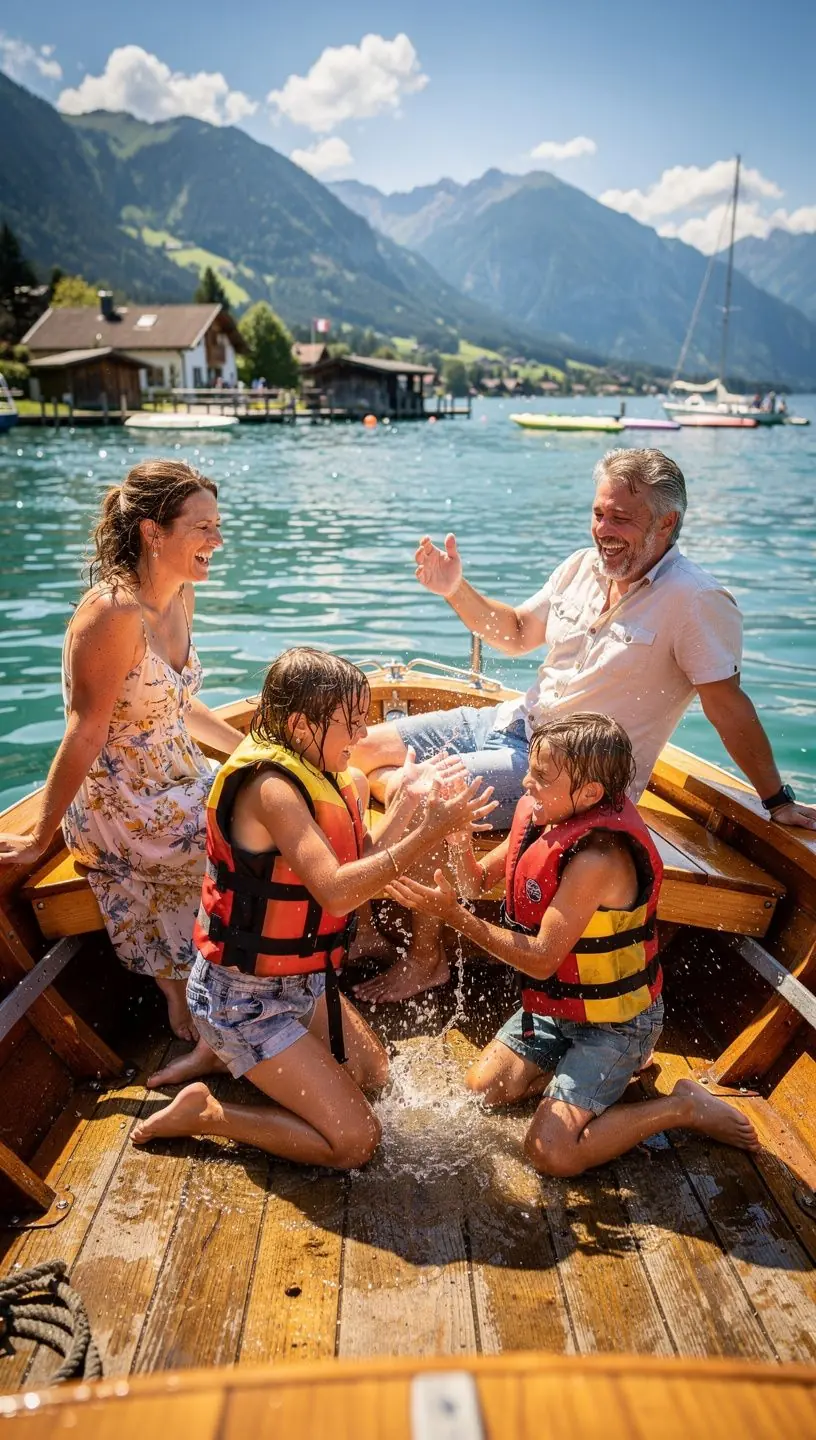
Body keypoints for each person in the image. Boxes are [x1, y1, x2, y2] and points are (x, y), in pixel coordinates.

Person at [351, 447, 816, 1003]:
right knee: (357, 747)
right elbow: (519, 631)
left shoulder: (695, 600)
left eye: (621, 517)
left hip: (566, 773)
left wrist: (776, 797)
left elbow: (727, 707)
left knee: (426, 793)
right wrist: (456, 589)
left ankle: (424, 960)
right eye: (599, 513)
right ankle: (366, 920)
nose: (604, 529)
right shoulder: (579, 566)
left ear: (667, 522)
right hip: (510, 724)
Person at [131, 648, 494, 1168]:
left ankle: (227, 1057)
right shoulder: (272, 788)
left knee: (375, 1078)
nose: (362, 736)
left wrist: (409, 805)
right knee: (355, 1142)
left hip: (303, 981)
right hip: (243, 998)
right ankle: (208, 1113)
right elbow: (338, 893)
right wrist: (429, 833)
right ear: (302, 724)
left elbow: (362, 865)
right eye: (350, 723)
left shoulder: (321, 773)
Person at [388, 713, 759, 1177]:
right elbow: (475, 880)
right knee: (481, 1089)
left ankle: (682, 1107)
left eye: (541, 777)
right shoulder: (543, 819)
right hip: (556, 1009)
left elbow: (542, 960)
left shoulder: (598, 859)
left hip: (615, 1022)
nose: (525, 782)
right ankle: (599, 1077)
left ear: (589, 794)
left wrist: (455, 919)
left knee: (552, 1153)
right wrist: (459, 837)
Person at [0, 460, 242, 1046]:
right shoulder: (111, 614)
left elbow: (180, 704)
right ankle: (215, 981)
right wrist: (37, 840)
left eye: (218, 523)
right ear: (153, 532)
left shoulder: (180, 594)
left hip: (180, 772)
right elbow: (85, 734)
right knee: (249, 831)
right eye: (202, 527)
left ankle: (248, 971)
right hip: (125, 804)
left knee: (283, 793)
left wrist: (258, 753)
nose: (217, 539)